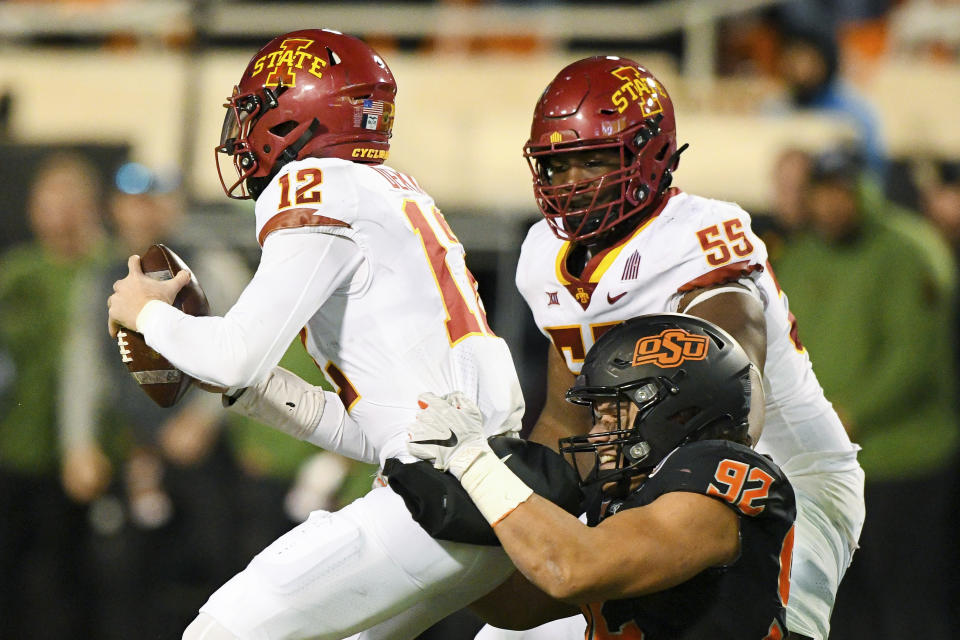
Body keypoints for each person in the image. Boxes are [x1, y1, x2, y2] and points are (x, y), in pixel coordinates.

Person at [106, 29, 524, 640]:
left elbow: (233, 360)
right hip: (489, 495)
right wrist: (239, 382)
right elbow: (379, 424)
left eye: (252, 113)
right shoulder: (393, 195)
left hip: (431, 500)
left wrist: (146, 314)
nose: (240, 135)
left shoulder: (315, 187)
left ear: (295, 113)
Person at [479, 56, 864, 640]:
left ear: (649, 153)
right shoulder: (544, 258)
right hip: (637, 471)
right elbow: (564, 420)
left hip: (776, 473)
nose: (573, 183)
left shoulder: (699, 236)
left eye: (594, 159)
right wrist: (499, 488)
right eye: (559, 166)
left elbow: (732, 397)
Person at [408, 314, 797, 639]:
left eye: (611, 416)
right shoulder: (630, 498)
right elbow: (518, 605)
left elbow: (572, 569)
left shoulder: (719, 472)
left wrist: (474, 462)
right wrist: (437, 517)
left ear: (678, 413)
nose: (596, 436)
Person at [772, 147, 959, 640]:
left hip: (902, 465)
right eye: (822, 193)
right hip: (826, 470)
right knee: (836, 612)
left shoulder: (910, 249)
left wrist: (847, 414)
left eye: (843, 191)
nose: (832, 205)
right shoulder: (801, 255)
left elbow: (913, 358)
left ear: (865, 189)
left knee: (910, 607)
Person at [0, 151, 107, 639]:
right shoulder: (17, 274)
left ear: (93, 207)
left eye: (73, 200)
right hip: (17, 449)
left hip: (95, 454)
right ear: (32, 209)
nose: (62, 212)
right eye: (51, 201)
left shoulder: (113, 271)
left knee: (77, 577)